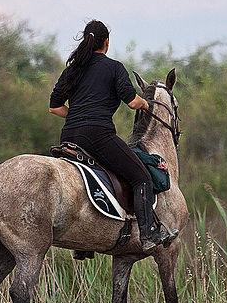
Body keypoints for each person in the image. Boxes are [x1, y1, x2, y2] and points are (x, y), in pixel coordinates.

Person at [49, 20, 174, 253]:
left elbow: (54, 107)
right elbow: (133, 102)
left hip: (69, 136)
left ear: (86, 42)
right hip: (97, 135)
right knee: (141, 177)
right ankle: (148, 234)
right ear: (106, 43)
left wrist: (76, 115)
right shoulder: (114, 67)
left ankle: (83, 241)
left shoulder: (72, 70)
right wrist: (146, 103)